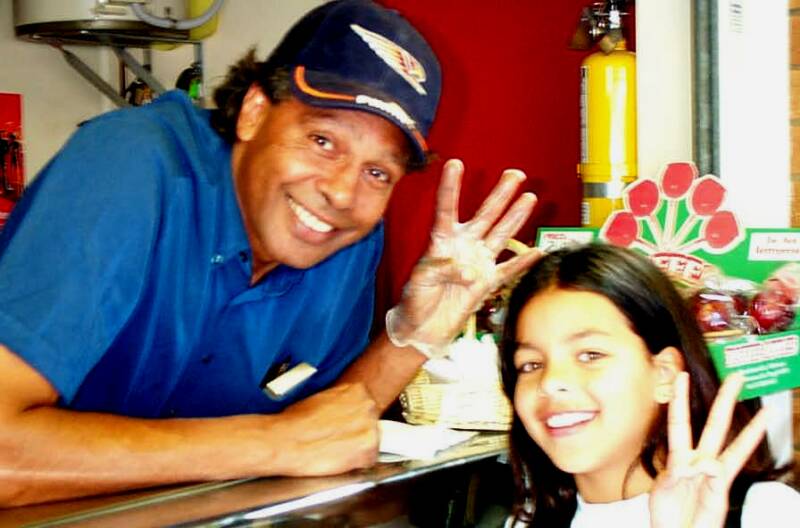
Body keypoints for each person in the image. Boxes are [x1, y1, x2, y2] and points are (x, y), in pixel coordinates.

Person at [0, 0, 540, 507]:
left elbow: (320, 434)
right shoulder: (131, 168)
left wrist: (412, 337)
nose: (342, 193)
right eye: (323, 141)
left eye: (378, 172)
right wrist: (268, 442)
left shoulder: (347, 239)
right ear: (255, 112)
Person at [499, 243, 800, 527]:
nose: (551, 382)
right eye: (531, 364)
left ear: (664, 374)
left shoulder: (766, 512)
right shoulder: (527, 521)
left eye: (591, 355)